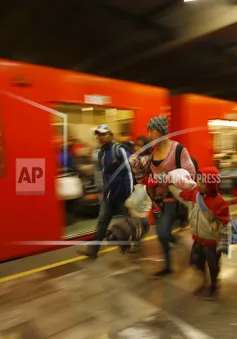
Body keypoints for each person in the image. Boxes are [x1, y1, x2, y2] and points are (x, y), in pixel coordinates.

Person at [168, 167, 229, 300]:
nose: (198, 184)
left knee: (213, 266)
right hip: (198, 240)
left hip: (212, 243)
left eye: (202, 183)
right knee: (197, 262)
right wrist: (170, 185)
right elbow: (181, 194)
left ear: (211, 185)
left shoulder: (220, 203)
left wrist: (224, 241)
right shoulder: (194, 196)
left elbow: (225, 223)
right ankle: (203, 282)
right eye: (198, 181)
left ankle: (214, 286)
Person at [147, 115, 196, 277]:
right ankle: (168, 266)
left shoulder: (178, 150)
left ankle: (181, 245)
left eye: (151, 131)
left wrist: (170, 179)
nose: (149, 135)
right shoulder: (153, 151)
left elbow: (191, 173)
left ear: (160, 131)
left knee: (162, 232)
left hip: (174, 199)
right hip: (158, 200)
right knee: (161, 234)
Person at [78, 124, 134, 259]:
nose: (101, 137)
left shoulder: (119, 150)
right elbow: (102, 173)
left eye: (103, 134)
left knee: (130, 221)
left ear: (110, 135)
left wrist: (130, 193)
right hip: (108, 196)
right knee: (102, 222)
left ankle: (134, 245)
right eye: (99, 135)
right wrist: (101, 191)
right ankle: (93, 251)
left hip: (122, 195)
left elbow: (129, 171)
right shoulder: (101, 153)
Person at [129, 136, 161, 215]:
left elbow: (138, 164)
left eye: (141, 146)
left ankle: (155, 204)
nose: (137, 148)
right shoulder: (138, 157)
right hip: (139, 180)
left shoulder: (146, 158)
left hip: (146, 178)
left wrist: (134, 159)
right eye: (136, 145)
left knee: (149, 192)